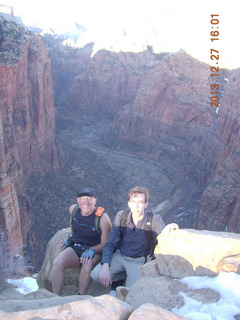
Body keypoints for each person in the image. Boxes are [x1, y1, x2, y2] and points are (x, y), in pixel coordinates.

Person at [90, 186, 179, 288]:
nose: (136, 206)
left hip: (138, 261)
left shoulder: (154, 219)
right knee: (97, 275)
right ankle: (122, 275)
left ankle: (127, 276)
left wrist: (172, 226)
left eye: (140, 202)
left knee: (131, 290)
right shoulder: (121, 216)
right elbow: (110, 243)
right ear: (128, 203)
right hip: (120, 256)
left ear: (146, 204)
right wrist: (105, 266)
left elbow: (164, 237)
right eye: (133, 202)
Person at [51, 187, 112, 295]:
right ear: (77, 200)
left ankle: (81, 296)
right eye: (82, 199)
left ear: (95, 201)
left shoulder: (102, 219)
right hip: (76, 247)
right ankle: (55, 296)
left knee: (87, 265)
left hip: (94, 250)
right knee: (57, 262)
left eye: (89, 199)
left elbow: (105, 244)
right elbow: (73, 222)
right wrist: (70, 238)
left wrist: (92, 249)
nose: (86, 202)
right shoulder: (73, 210)